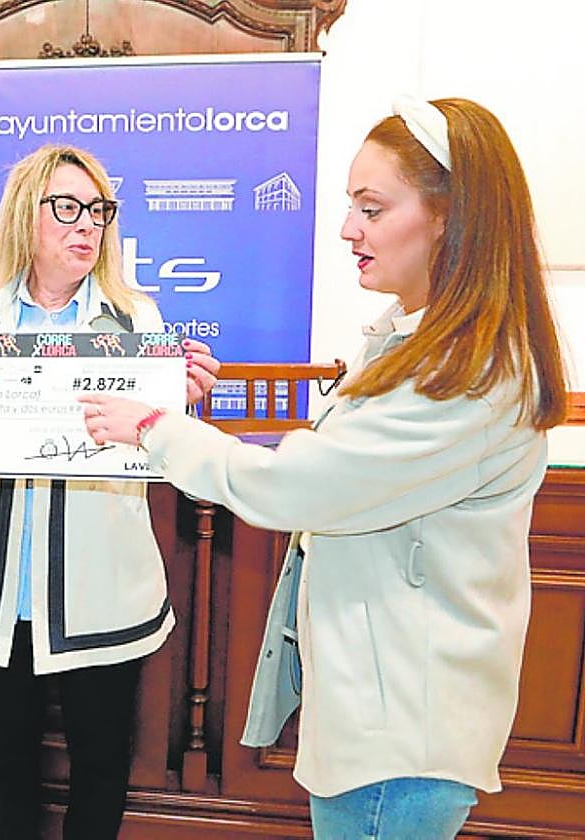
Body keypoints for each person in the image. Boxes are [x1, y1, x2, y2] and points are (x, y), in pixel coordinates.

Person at [81, 97, 569, 838]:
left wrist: (156, 428)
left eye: (372, 209)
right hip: (384, 711)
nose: (348, 230)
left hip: (402, 727)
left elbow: (296, 486)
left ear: (449, 215)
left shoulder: (468, 377)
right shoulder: (419, 347)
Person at [0, 144, 220, 839]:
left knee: (103, 761)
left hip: (99, 583)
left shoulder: (136, 321)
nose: (87, 226)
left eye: (99, 211)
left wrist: (186, 405)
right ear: (27, 215)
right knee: (5, 760)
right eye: (68, 208)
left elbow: (164, 448)